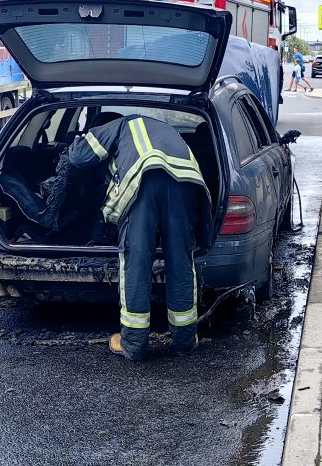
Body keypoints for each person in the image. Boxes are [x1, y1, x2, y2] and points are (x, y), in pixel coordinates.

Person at [67, 113, 213, 359]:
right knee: (180, 262)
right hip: (187, 186)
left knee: (136, 262)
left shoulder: (120, 125)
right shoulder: (162, 129)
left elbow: (80, 156)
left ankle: (134, 344)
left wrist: (74, 141)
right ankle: (185, 341)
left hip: (144, 184)